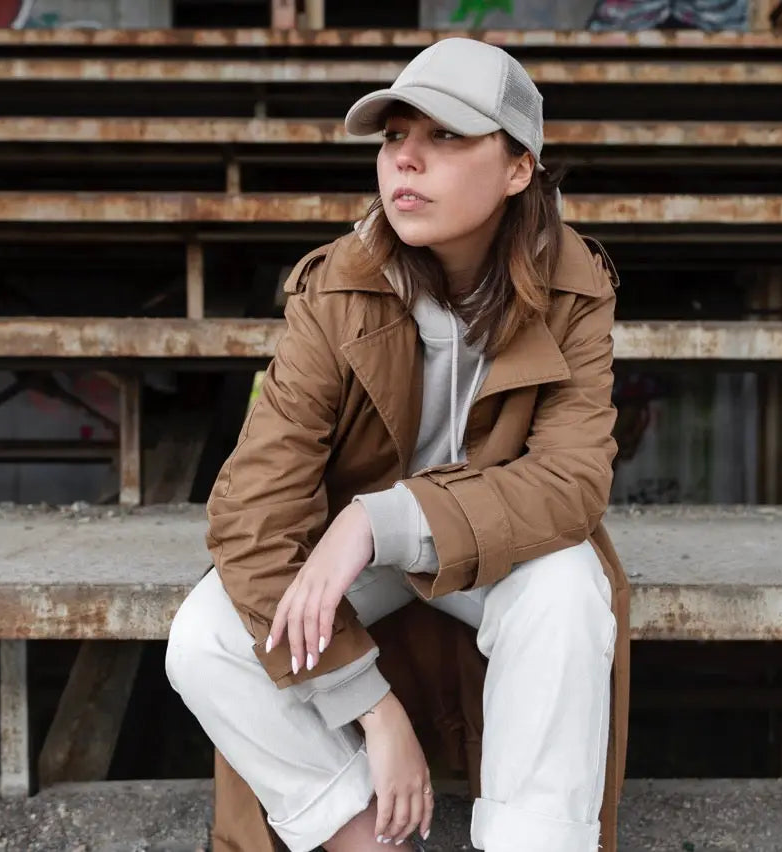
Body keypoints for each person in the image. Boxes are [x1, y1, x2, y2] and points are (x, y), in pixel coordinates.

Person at [166, 36, 630, 852]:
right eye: (393, 137)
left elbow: (569, 482)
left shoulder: (574, 285)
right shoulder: (337, 286)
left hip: (488, 546)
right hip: (367, 564)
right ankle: (366, 841)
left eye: (445, 136)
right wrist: (372, 709)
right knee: (204, 635)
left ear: (518, 167)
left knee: (568, 589)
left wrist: (377, 519)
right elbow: (253, 511)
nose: (406, 159)